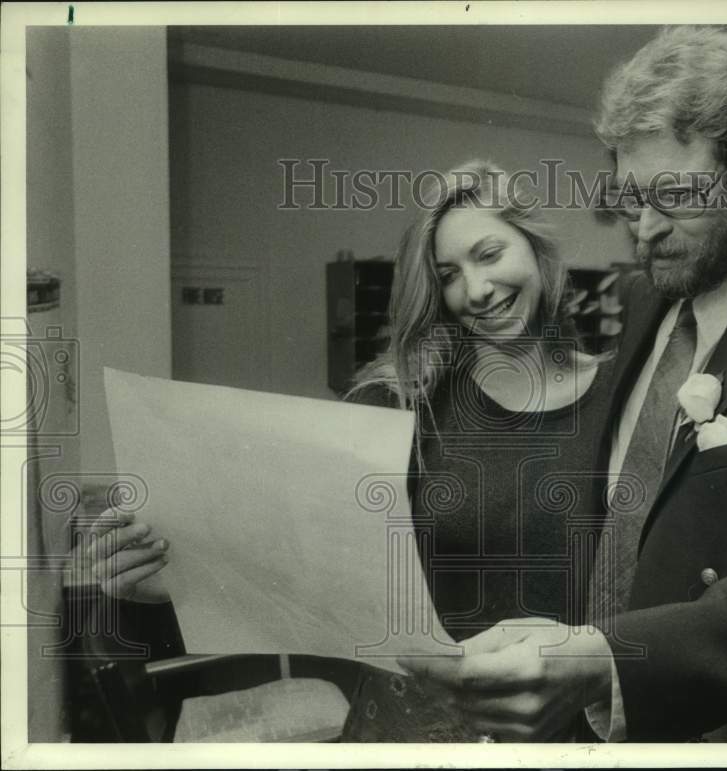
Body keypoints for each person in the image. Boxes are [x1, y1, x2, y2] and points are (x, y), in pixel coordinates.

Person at [400, 26, 727, 743]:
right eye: (628, 200)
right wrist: (563, 637)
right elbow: (629, 506)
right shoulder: (644, 300)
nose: (643, 230)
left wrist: (604, 659)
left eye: (673, 194)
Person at [74, 160, 615, 740]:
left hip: (573, 728)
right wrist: (169, 578)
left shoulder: (622, 391)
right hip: (414, 728)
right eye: (448, 274)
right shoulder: (404, 400)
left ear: (537, 250)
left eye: (488, 254)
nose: (476, 290)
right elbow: (300, 557)